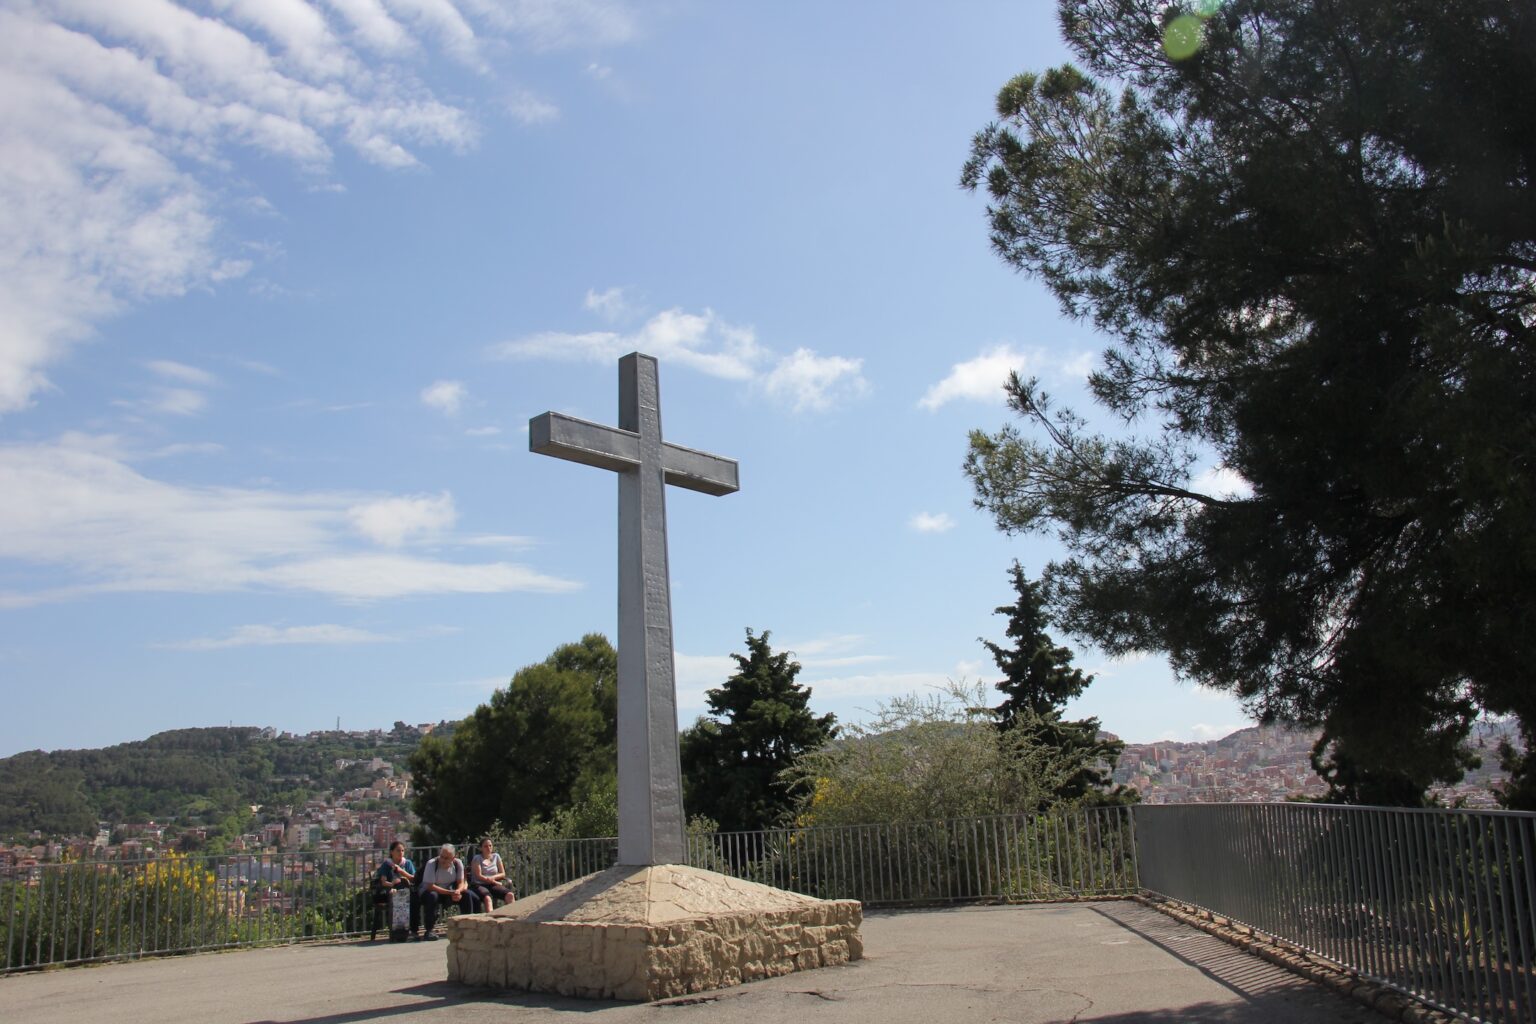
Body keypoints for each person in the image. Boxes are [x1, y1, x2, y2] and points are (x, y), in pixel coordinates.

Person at [418, 843, 479, 939]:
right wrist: (451, 892)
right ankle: (429, 930)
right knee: (432, 896)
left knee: (467, 895)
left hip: (449, 891)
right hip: (430, 891)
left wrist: (458, 891)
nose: (443, 860)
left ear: (453, 858)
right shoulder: (431, 864)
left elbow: (460, 882)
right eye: (441, 856)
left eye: (446, 858)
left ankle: (468, 927)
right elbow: (430, 886)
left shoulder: (458, 863)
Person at [373, 841, 420, 940]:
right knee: (397, 896)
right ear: (391, 852)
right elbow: (383, 882)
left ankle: (413, 930)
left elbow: (413, 878)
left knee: (415, 900)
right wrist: (392, 884)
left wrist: (402, 871)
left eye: (402, 850)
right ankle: (397, 931)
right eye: (398, 850)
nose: (401, 853)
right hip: (392, 891)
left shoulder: (407, 863)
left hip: (407, 890)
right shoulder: (387, 864)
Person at [469, 838, 514, 909]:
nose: (488, 848)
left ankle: (511, 914)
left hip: (493, 884)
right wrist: (490, 880)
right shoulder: (477, 858)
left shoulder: (496, 856)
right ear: (481, 848)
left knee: (510, 895)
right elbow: (478, 875)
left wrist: (493, 878)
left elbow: (502, 873)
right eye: (485, 846)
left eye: (490, 846)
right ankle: (490, 916)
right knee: (488, 898)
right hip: (480, 884)